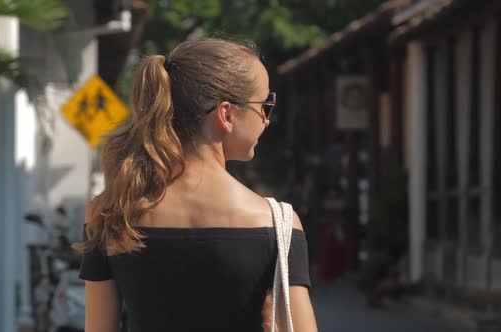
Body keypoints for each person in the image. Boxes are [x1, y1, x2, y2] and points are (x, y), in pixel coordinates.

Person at [73, 38, 318, 332]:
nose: (266, 120)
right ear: (226, 115)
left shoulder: (113, 214)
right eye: (265, 105)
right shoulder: (277, 224)